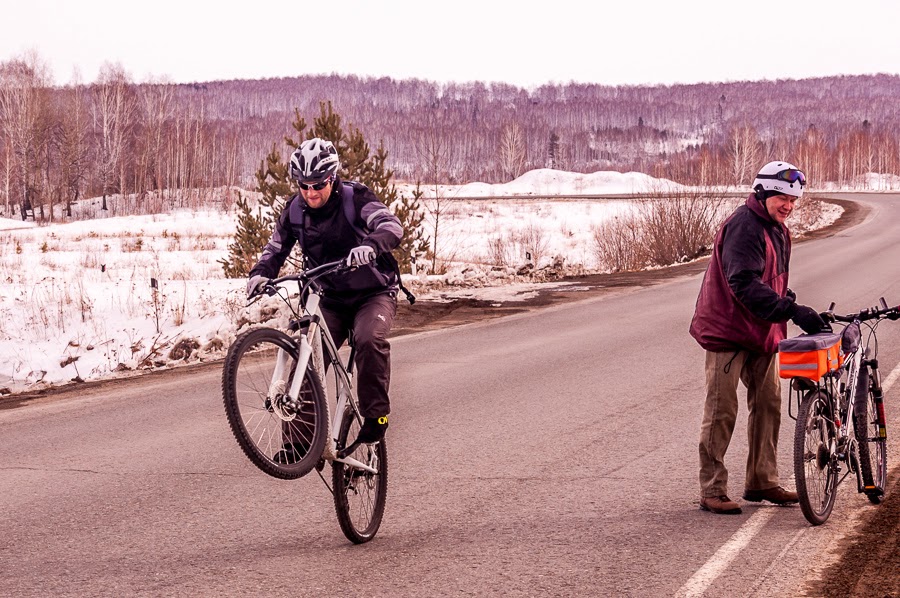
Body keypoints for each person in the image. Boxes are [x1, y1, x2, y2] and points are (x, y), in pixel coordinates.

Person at [247, 137, 404, 462]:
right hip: (328, 297)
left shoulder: (355, 198)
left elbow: (392, 225)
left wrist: (372, 244)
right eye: (304, 186)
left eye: (318, 185)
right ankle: (297, 445)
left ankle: (377, 418)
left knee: (368, 339)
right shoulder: (294, 210)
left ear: (332, 178)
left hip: (372, 294)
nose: (311, 192)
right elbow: (275, 249)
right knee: (306, 351)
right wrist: (260, 273)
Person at [689, 160, 827, 515]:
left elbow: (769, 278)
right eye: (782, 197)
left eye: (793, 200)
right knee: (722, 410)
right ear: (763, 192)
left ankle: (761, 480)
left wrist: (790, 302)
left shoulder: (777, 228)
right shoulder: (744, 226)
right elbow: (744, 283)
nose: (788, 206)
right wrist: (791, 311)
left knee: (768, 405)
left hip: (762, 330)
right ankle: (712, 489)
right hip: (728, 331)